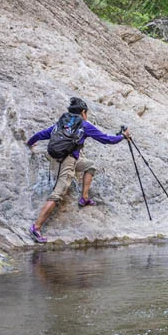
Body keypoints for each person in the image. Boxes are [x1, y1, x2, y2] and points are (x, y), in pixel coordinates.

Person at [26, 97, 130, 243]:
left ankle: (84, 198)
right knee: (57, 194)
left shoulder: (61, 124)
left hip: (64, 159)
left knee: (90, 165)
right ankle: (36, 228)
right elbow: (107, 139)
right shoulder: (84, 125)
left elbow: (41, 134)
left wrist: (30, 143)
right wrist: (122, 137)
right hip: (66, 162)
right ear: (83, 112)